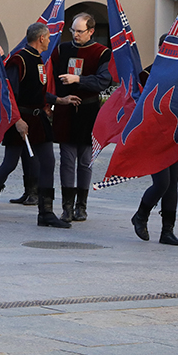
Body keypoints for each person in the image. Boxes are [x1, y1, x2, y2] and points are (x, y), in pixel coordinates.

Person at [0, 22, 77, 228]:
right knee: (9, 164)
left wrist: (60, 100)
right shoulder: (19, 60)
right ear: (41, 38)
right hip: (20, 119)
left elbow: (39, 92)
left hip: (38, 119)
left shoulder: (39, 60)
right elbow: (8, 93)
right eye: (48, 37)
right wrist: (17, 121)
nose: (50, 40)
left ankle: (46, 213)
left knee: (49, 163)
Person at [50, 12, 113, 222]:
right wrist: (56, 100)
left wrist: (78, 79)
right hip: (66, 110)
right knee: (67, 161)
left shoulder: (102, 53)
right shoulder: (62, 50)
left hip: (88, 111)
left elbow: (103, 81)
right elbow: (52, 78)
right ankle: (66, 207)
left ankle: (81, 206)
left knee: (86, 161)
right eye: (73, 31)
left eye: (80, 31)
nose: (75, 35)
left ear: (91, 31)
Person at [130, 36, 178, 247]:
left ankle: (167, 230)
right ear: (160, 48)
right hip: (154, 136)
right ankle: (141, 215)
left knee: (172, 183)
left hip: (177, 134)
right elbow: (136, 103)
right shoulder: (148, 73)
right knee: (162, 182)